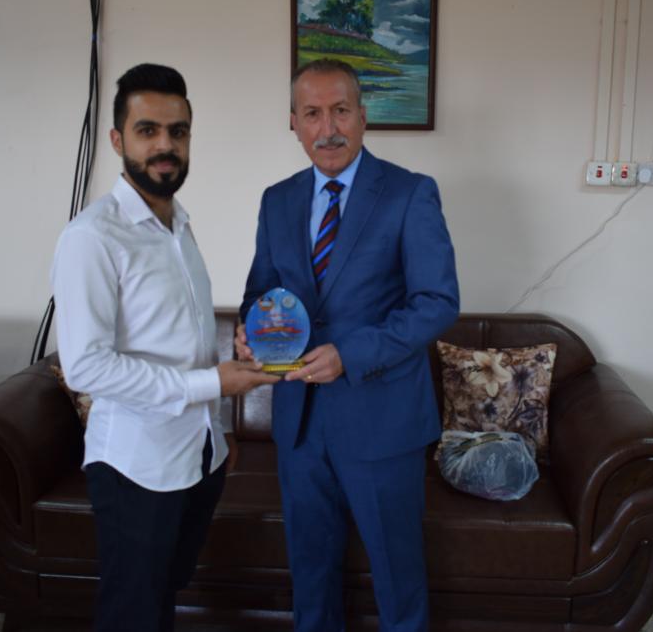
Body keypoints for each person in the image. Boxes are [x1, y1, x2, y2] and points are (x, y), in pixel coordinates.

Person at [51, 63, 278, 632]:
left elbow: (183, 337)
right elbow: (86, 366)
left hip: (200, 455)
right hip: (137, 466)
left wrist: (224, 404)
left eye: (178, 132)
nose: (165, 146)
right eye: (147, 130)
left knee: (165, 595)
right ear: (117, 140)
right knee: (133, 612)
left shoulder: (179, 225)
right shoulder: (91, 237)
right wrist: (213, 383)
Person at [236, 58, 459, 632]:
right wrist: (249, 328)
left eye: (340, 110)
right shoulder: (277, 199)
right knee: (310, 574)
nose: (327, 128)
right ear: (293, 122)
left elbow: (437, 302)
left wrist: (351, 355)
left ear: (363, 115)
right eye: (312, 113)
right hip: (299, 422)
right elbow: (262, 291)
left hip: (383, 420)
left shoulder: (410, 193)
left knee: (396, 574)